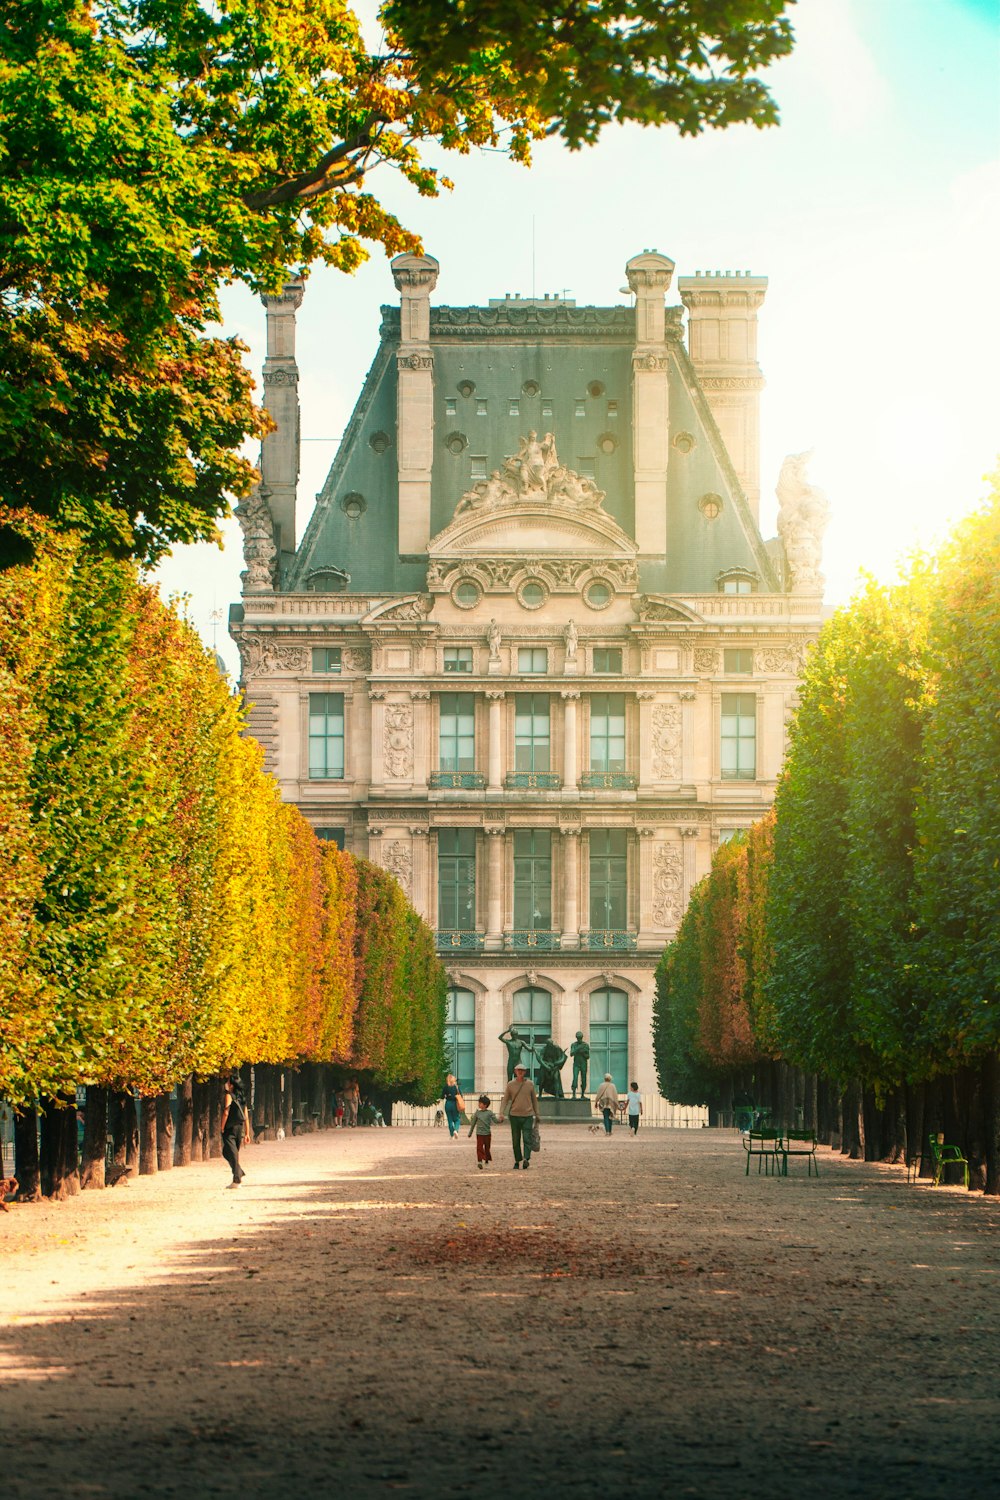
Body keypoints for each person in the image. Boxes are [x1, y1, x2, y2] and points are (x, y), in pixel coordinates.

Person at [498, 1061, 541, 1170]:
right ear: (515, 1072)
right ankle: (517, 1160)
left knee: (527, 1138)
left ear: (525, 1072)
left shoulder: (530, 1084)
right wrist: (501, 1113)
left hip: (527, 1115)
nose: (520, 1072)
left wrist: (537, 1113)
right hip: (514, 1115)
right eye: (518, 1070)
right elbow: (505, 1100)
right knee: (515, 1139)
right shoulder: (510, 1085)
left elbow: (534, 1100)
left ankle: (526, 1158)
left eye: (522, 1071)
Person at [221, 1075, 250, 1187]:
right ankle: (239, 1172)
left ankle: (237, 1180)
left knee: (231, 1153)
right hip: (239, 1128)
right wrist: (247, 1133)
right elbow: (246, 1116)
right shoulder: (242, 1098)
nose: (226, 1084)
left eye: (228, 1082)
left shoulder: (229, 1096)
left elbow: (226, 1112)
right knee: (230, 1152)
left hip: (230, 1128)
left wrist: (222, 1127)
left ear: (232, 1085)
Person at [467, 1094, 500, 1169]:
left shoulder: (490, 1113)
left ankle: (487, 1159)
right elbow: (473, 1124)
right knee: (479, 1147)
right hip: (479, 1134)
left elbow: (495, 1120)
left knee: (487, 1148)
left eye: (480, 1103)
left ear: (485, 1105)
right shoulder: (477, 1113)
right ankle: (479, 1161)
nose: (478, 1104)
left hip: (487, 1133)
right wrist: (470, 1133)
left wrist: (500, 1120)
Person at [442, 1073, 463, 1139]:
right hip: (455, 1104)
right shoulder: (456, 1087)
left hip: (448, 1104)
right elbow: (461, 1096)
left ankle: (452, 1135)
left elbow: (442, 1096)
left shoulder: (445, 1087)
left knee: (450, 1120)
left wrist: (446, 1096)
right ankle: (456, 1130)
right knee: (457, 1119)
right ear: (454, 1080)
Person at [570, 1031, 590, 1097]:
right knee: (575, 1078)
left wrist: (583, 1052)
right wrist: (578, 1049)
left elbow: (588, 1056)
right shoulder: (574, 1045)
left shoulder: (585, 1045)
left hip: (583, 1064)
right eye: (578, 1038)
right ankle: (573, 1094)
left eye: (580, 1038)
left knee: (583, 1079)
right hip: (576, 1064)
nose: (579, 1039)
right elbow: (571, 1053)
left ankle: (582, 1094)